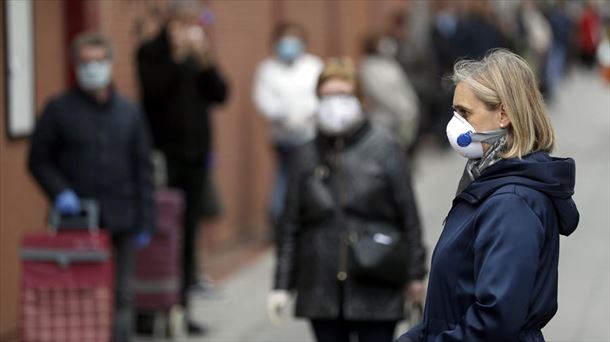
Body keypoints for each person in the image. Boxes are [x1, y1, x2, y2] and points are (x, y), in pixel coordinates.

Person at [397, 49, 579, 342]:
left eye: (465, 113)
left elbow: (495, 320)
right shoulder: (486, 182)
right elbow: (454, 303)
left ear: (504, 115)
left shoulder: (512, 203)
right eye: (454, 112)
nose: (455, 124)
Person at [267, 58, 427, 342]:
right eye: (328, 96)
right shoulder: (305, 155)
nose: (335, 103)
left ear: (360, 99)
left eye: (344, 95)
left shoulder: (385, 147)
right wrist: (281, 285)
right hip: (321, 287)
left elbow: (409, 217)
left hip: (377, 280)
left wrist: (415, 275)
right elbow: (290, 223)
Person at [28, 32, 155, 342]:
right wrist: (60, 193)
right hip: (78, 221)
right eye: (86, 63)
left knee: (122, 295)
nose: (93, 69)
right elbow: (38, 160)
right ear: (74, 66)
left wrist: (147, 219)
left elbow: (144, 169)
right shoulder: (58, 110)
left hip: (123, 217)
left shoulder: (129, 112)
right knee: (79, 294)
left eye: (99, 62)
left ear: (110, 63)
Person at [137, 0, 228, 335]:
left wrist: (205, 61)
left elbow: (220, 94)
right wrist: (175, 58)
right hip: (164, 158)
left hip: (195, 159)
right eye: (185, 22)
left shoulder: (198, 56)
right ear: (171, 22)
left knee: (189, 235)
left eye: (196, 22)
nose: (191, 29)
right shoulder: (151, 53)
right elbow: (154, 91)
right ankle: (151, 308)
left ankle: (183, 308)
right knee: (163, 235)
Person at [252, 22, 323, 228]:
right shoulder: (268, 69)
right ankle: (280, 220)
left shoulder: (313, 66)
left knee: (310, 177)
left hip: (310, 133)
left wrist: (306, 115)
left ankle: (309, 217)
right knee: (284, 177)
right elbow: (263, 100)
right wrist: (285, 115)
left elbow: (318, 96)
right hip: (283, 136)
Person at [359, 30, 420, 153]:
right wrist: (400, 109)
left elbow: (405, 86)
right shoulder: (369, 66)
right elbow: (380, 93)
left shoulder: (391, 63)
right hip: (383, 118)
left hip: (404, 115)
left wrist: (411, 105)